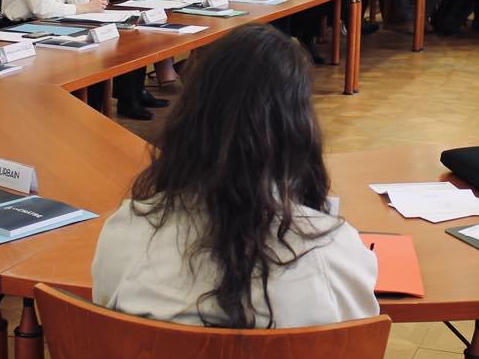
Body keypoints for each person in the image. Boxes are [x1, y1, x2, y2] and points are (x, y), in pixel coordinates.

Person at [91, 23, 379, 328]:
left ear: (189, 120)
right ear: (298, 130)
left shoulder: (126, 233)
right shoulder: (332, 249)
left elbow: (107, 321)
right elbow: (357, 341)